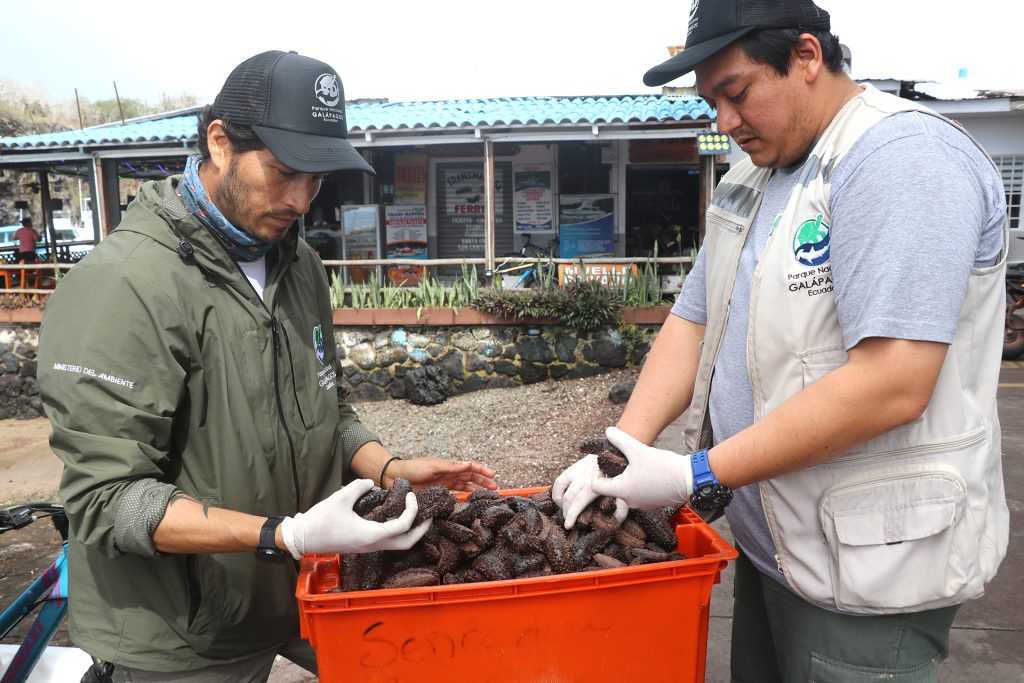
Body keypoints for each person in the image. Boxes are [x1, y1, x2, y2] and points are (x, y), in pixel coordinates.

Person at [552, 1, 1009, 680]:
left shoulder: (901, 160)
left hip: (867, 572)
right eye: (712, 102)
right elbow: (693, 320)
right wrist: (624, 451)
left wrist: (693, 474)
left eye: (736, 93)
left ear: (806, 57)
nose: (725, 123)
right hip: (777, 550)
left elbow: (895, 381)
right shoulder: (753, 176)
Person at [37, 50, 496, 682]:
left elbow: (325, 408)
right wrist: (283, 534)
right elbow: (107, 498)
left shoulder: (297, 264)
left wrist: (389, 467)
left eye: (317, 180)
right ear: (219, 142)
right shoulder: (124, 285)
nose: (302, 199)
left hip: (302, 592)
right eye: (284, 172)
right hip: (182, 637)